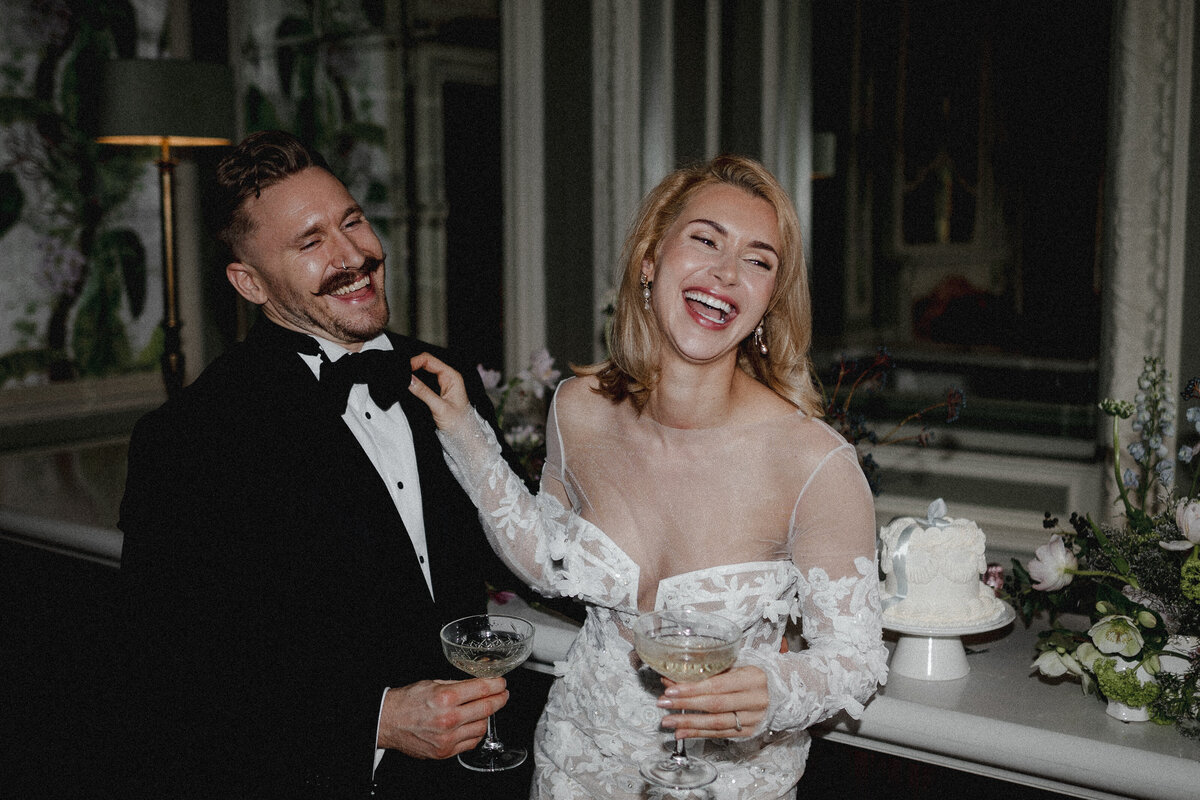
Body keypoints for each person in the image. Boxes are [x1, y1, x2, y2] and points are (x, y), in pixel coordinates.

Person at [408, 155, 888, 799]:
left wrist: (775, 692)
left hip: (727, 785)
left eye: (758, 260)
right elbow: (546, 559)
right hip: (576, 764)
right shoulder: (579, 409)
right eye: (705, 239)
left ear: (771, 301)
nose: (725, 273)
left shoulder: (814, 465)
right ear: (649, 262)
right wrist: (467, 438)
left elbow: (854, 661)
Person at [116, 129, 547, 799]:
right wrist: (376, 720)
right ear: (248, 281)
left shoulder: (442, 374)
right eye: (311, 242)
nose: (355, 256)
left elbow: (514, 542)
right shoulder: (191, 439)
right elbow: (176, 676)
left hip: (471, 775)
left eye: (353, 222)